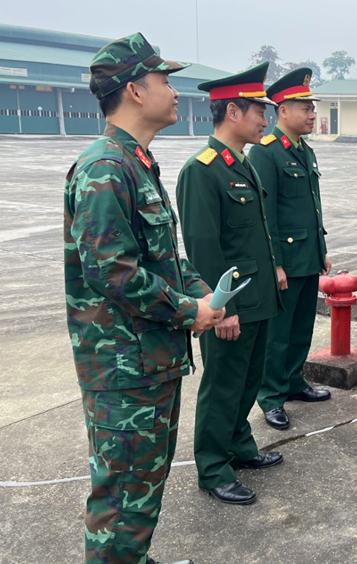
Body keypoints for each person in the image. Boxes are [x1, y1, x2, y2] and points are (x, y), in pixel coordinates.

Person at [64, 32, 223, 564]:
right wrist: (189, 312)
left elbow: (163, 259)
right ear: (135, 90)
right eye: (164, 81)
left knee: (142, 487)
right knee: (121, 493)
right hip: (123, 368)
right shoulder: (105, 168)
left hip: (149, 360)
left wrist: (202, 292)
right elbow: (112, 272)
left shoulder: (135, 162)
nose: (175, 93)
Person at [176, 62, 283, 504]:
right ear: (233, 112)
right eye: (259, 111)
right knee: (222, 386)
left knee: (247, 380)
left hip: (258, 299)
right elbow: (203, 248)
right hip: (230, 304)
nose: (265, 120)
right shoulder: (202, 170)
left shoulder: (242, 163)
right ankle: (213, 467)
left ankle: (240, 446)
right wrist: (220, 308)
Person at [249, 67, 332, 431]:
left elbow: (312, 207)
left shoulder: (305, 151)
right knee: (278, 333)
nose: (312, 115)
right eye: (305, 108)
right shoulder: (266, 153)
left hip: (308, 257)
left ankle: (294, 381)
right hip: (285, 260)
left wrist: (321, 249)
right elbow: (264, 214)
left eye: (312, 108)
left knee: (301, 328)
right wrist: (276, 264)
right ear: (282, 110)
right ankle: (271, 396)